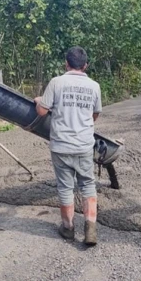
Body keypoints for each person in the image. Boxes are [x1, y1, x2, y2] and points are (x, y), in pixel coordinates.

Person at [34, 46, 102, 246]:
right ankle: (90, 228)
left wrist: (39, 100)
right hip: (84, 145)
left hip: (61, 145)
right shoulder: (94, 85)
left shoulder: (57, 82)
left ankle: (68, 228)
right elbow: (95, 114)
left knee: (65, 187)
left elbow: (41, 112)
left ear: (66, 63)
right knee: (88, 185)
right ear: (86, 65)